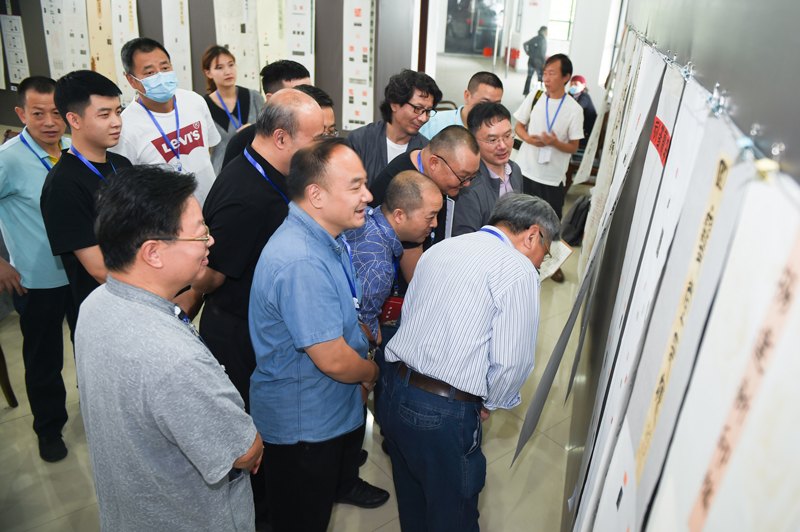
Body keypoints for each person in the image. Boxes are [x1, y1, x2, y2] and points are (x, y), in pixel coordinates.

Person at [75, 165, 263, 532]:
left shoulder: (96, 302)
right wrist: (251, 443)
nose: (210, 242)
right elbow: (243, 452)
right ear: (154, 252)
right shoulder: (174, 359)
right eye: (200, 233)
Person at [181, 89, 324, 530]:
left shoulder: (260, 159)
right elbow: (209, 277)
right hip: (240, 334)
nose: (321, 148)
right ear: (281, 137)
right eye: (316, 138)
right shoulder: (247, 196)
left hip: (261, 325)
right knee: (255, 437)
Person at [375, 193, 561, 531]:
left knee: (413, 503)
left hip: (392, 391)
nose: (540, 264)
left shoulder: (442, 248)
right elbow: (512, 362)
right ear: (533, 235)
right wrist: (489, 403)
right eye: (545, 254)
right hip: (442, 413)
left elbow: (410, 315)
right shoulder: (518, 269)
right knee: (452, 516)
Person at [249, 139, 381, 532]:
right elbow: (333, 360)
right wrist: (371, 373)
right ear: (317, 195)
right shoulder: (302, 260)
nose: (368, 196)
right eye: (355, 186)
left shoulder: (325, 238)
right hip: (304, 426)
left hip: (323, 412)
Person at [0, 76, 74, 462]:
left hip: (81, 273)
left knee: (91, 350)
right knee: (44, 361)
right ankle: (48, 429)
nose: (49, 122)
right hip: (36, 280)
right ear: (21, 113)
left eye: (57, 113)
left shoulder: (72, 150)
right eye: (38, 113)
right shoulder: (9, 158)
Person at [40, 70, 132, 313]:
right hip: (105, 308)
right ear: (74, 120)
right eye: (104, 114)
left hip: (140, 293)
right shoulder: (62, 185)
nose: (117, 122)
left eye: (118, 111)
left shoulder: (122, 164)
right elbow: (100, 270)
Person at [110, 37, 220, 207]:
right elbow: (126, 186)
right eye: (149, 73)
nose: (160, 76)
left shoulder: (195, 101)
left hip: (213, 204)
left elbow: (208, 147)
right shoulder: (125, 128)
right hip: (166, 217)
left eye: (165, 68)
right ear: (131, 80)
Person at [369, 125, 480, 282]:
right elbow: (416, 277)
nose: (467, 184)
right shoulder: (404, 183)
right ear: (434, 163)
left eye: (472, 177)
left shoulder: (432, 173)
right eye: (462, 176)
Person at [513, 53, 583, 282]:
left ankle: (552, 265)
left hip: (552, 177)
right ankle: (517, 258)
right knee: (519, 217)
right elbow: (519, 126)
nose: (547, 77)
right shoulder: (535, 96)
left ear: (566, 77)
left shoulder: (574, 109)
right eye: (545, 73)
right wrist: (528, 139)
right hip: (526, 169)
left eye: (552, 73)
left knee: (550, 223)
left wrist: (554, 143)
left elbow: (573, 146)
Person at [346, 69, 442, 186]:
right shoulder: (359, 141)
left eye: (428, 111)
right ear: (394, 104)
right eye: (417, 109)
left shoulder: (426, 151)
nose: (423, 118)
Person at [220, 60, 312, 169]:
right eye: (297, 96)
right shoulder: (243, 141)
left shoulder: (319, 133)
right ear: (272, 99)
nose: (309, 101)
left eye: (311, 92)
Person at [452, 102, 523, 236]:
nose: (503, 146)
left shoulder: (515, 170)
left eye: (507, 136)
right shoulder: (467, 187)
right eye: (492, 140)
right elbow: (465, 240)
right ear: (473, 140)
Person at [201, 45, 265, 175]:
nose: (228, 72)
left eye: (231, 65)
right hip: (223, 172)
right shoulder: (203, 105)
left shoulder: (254, 97)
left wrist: (254, 129)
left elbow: (270, 130)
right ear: (208, 73)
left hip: (256, 167)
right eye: (219, 67)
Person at [419, 71, 503, 139]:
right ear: (467, 96)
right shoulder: (433, 123)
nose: (490, 110)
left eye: (496, 105)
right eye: (484, 103)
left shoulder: (499, 131)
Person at [568, 75, 597, 148]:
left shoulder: (584, 97)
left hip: (586, 134)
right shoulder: (571, 96)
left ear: (583, 85)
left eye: (575, 84)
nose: (573, 86)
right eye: (571, 84)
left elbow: (575, 109)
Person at [523, 26, 548, 96]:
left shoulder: (535, 38)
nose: (547, 33)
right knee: (540, 79)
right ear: (543, 31)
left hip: (531, 60)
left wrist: (528, 53)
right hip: (539, 62)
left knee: (529, 77)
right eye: (546, 31)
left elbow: (525, 44)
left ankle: (526, 92)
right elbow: (542, 53)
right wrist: (544, 63)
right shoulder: (543, 39)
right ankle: (540, 94)